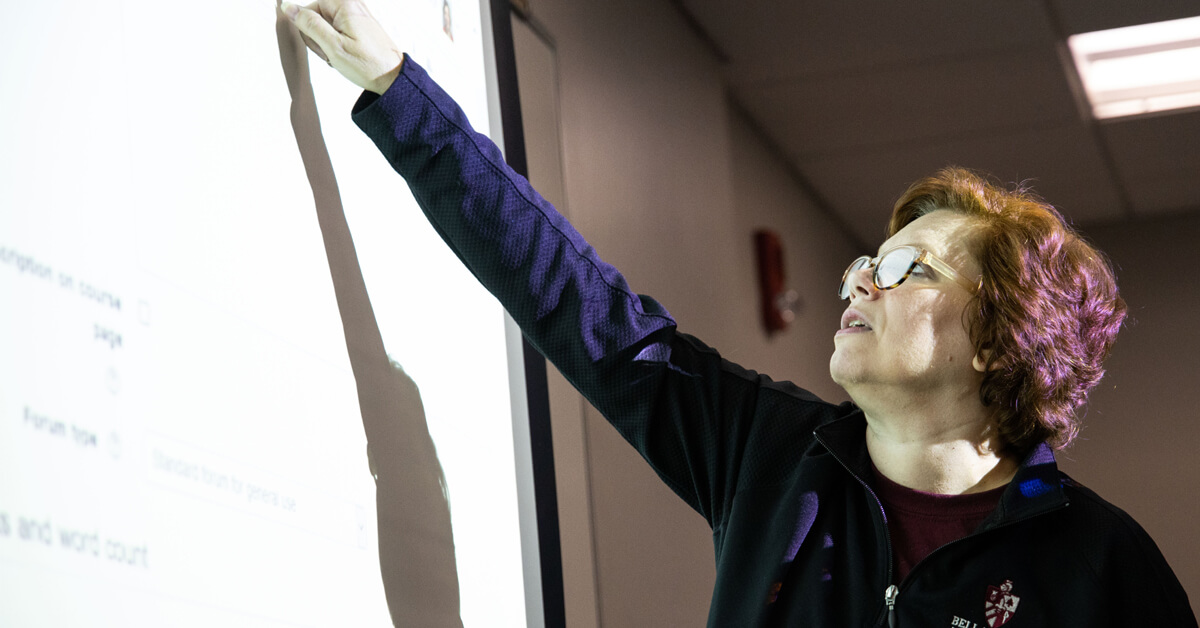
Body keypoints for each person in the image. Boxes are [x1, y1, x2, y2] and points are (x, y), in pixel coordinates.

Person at [278, 1, 1198, 625]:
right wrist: (400, 90)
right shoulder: (767, 453)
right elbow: (572, 299)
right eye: (865, 265)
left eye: (909, 269)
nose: (860, 285)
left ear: (1003, 343)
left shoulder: (1101, 566)